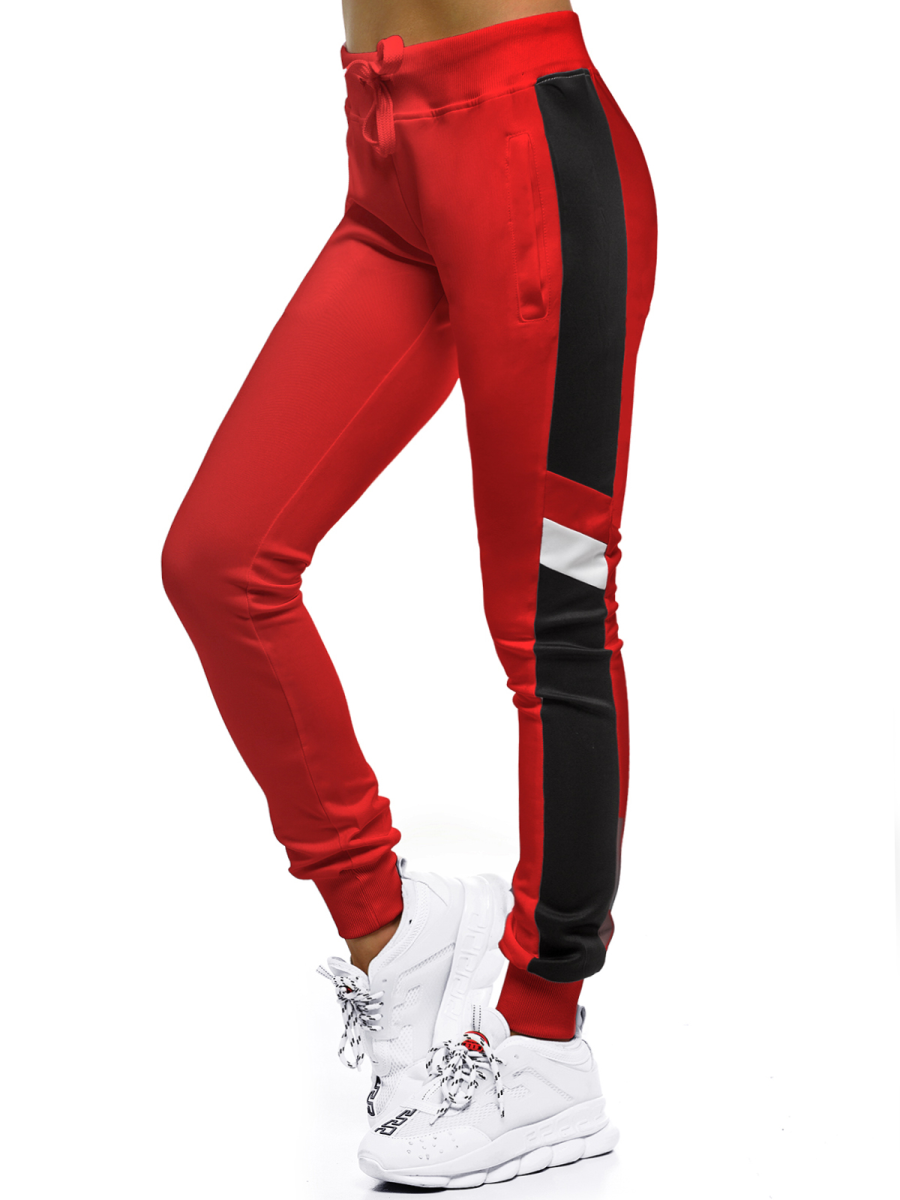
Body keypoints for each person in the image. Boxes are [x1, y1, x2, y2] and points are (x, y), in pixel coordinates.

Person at [161, 0, 657, 1186]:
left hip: (527, 154)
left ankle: (546, 1043)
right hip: (390, 160)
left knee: (552, 616)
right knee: (221, 561)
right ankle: (394, 934)